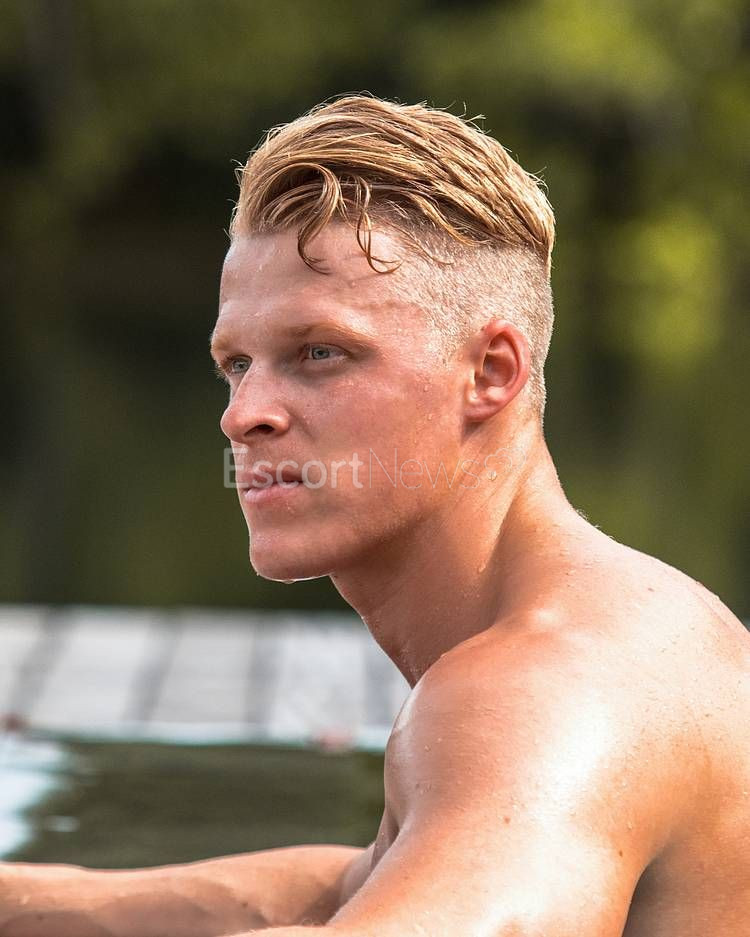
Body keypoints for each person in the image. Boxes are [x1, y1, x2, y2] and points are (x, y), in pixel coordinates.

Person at [2, 95, 749, 937]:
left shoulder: (543, 689)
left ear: (490, 372)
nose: (243, 414)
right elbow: (365, 887)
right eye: (236, 363)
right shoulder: (611, 630)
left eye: (319, 352)